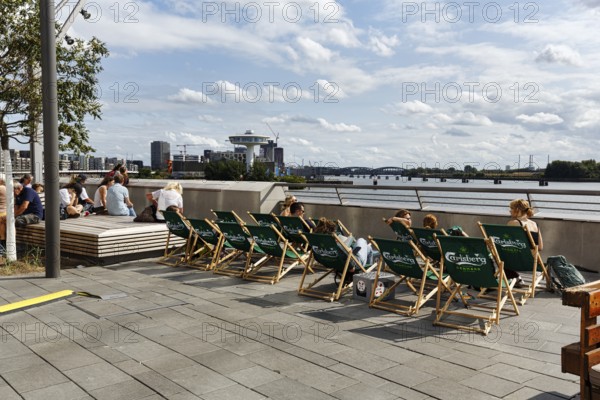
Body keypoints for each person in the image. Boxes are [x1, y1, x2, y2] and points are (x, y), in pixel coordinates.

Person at [507, 198, 542, 287]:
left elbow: (504, 243)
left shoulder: (514, 223)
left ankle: (515, 277)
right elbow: (540, 247)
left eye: (511, 209)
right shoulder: (535, 224)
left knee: (499, 255)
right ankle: (515, 278)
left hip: (516, 261)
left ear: (517, 210)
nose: (509, 211)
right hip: (532, 262)